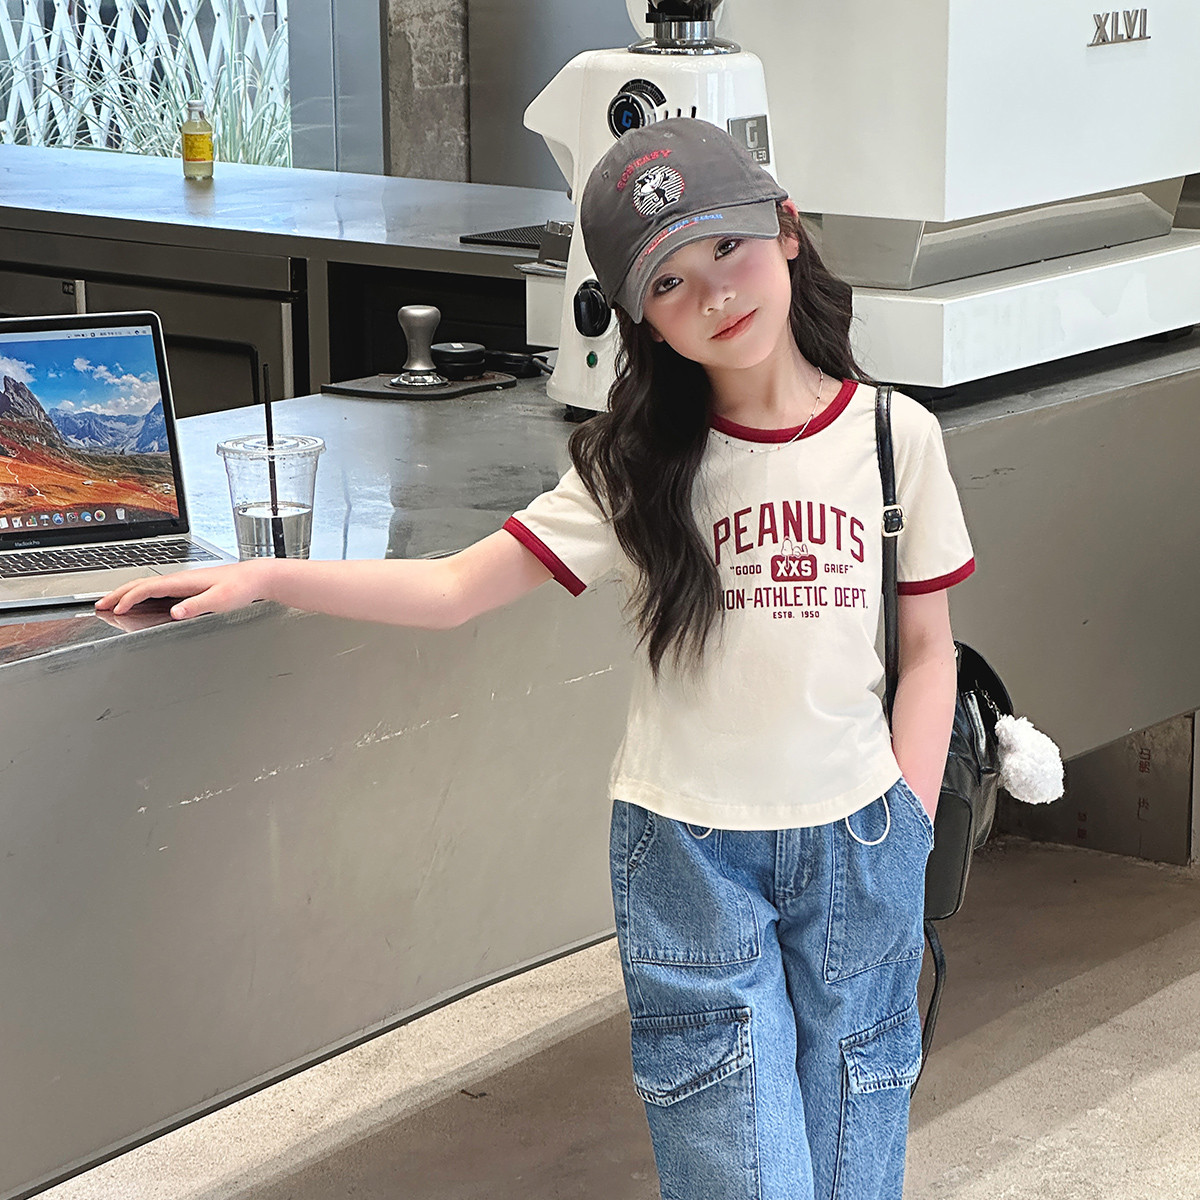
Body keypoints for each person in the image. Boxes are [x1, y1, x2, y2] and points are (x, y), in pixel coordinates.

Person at [98, 118, 975, 1200]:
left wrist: (908, 827)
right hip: (692, 860)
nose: (714, 295)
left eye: (728, 249)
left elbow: (928, 650)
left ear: (786, 231)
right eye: (669, 282)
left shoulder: (894, 437)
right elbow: (454, 588)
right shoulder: (634, 467)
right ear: (641, 318)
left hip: (861, 841)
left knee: (856, 1170)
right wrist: (267, 575)